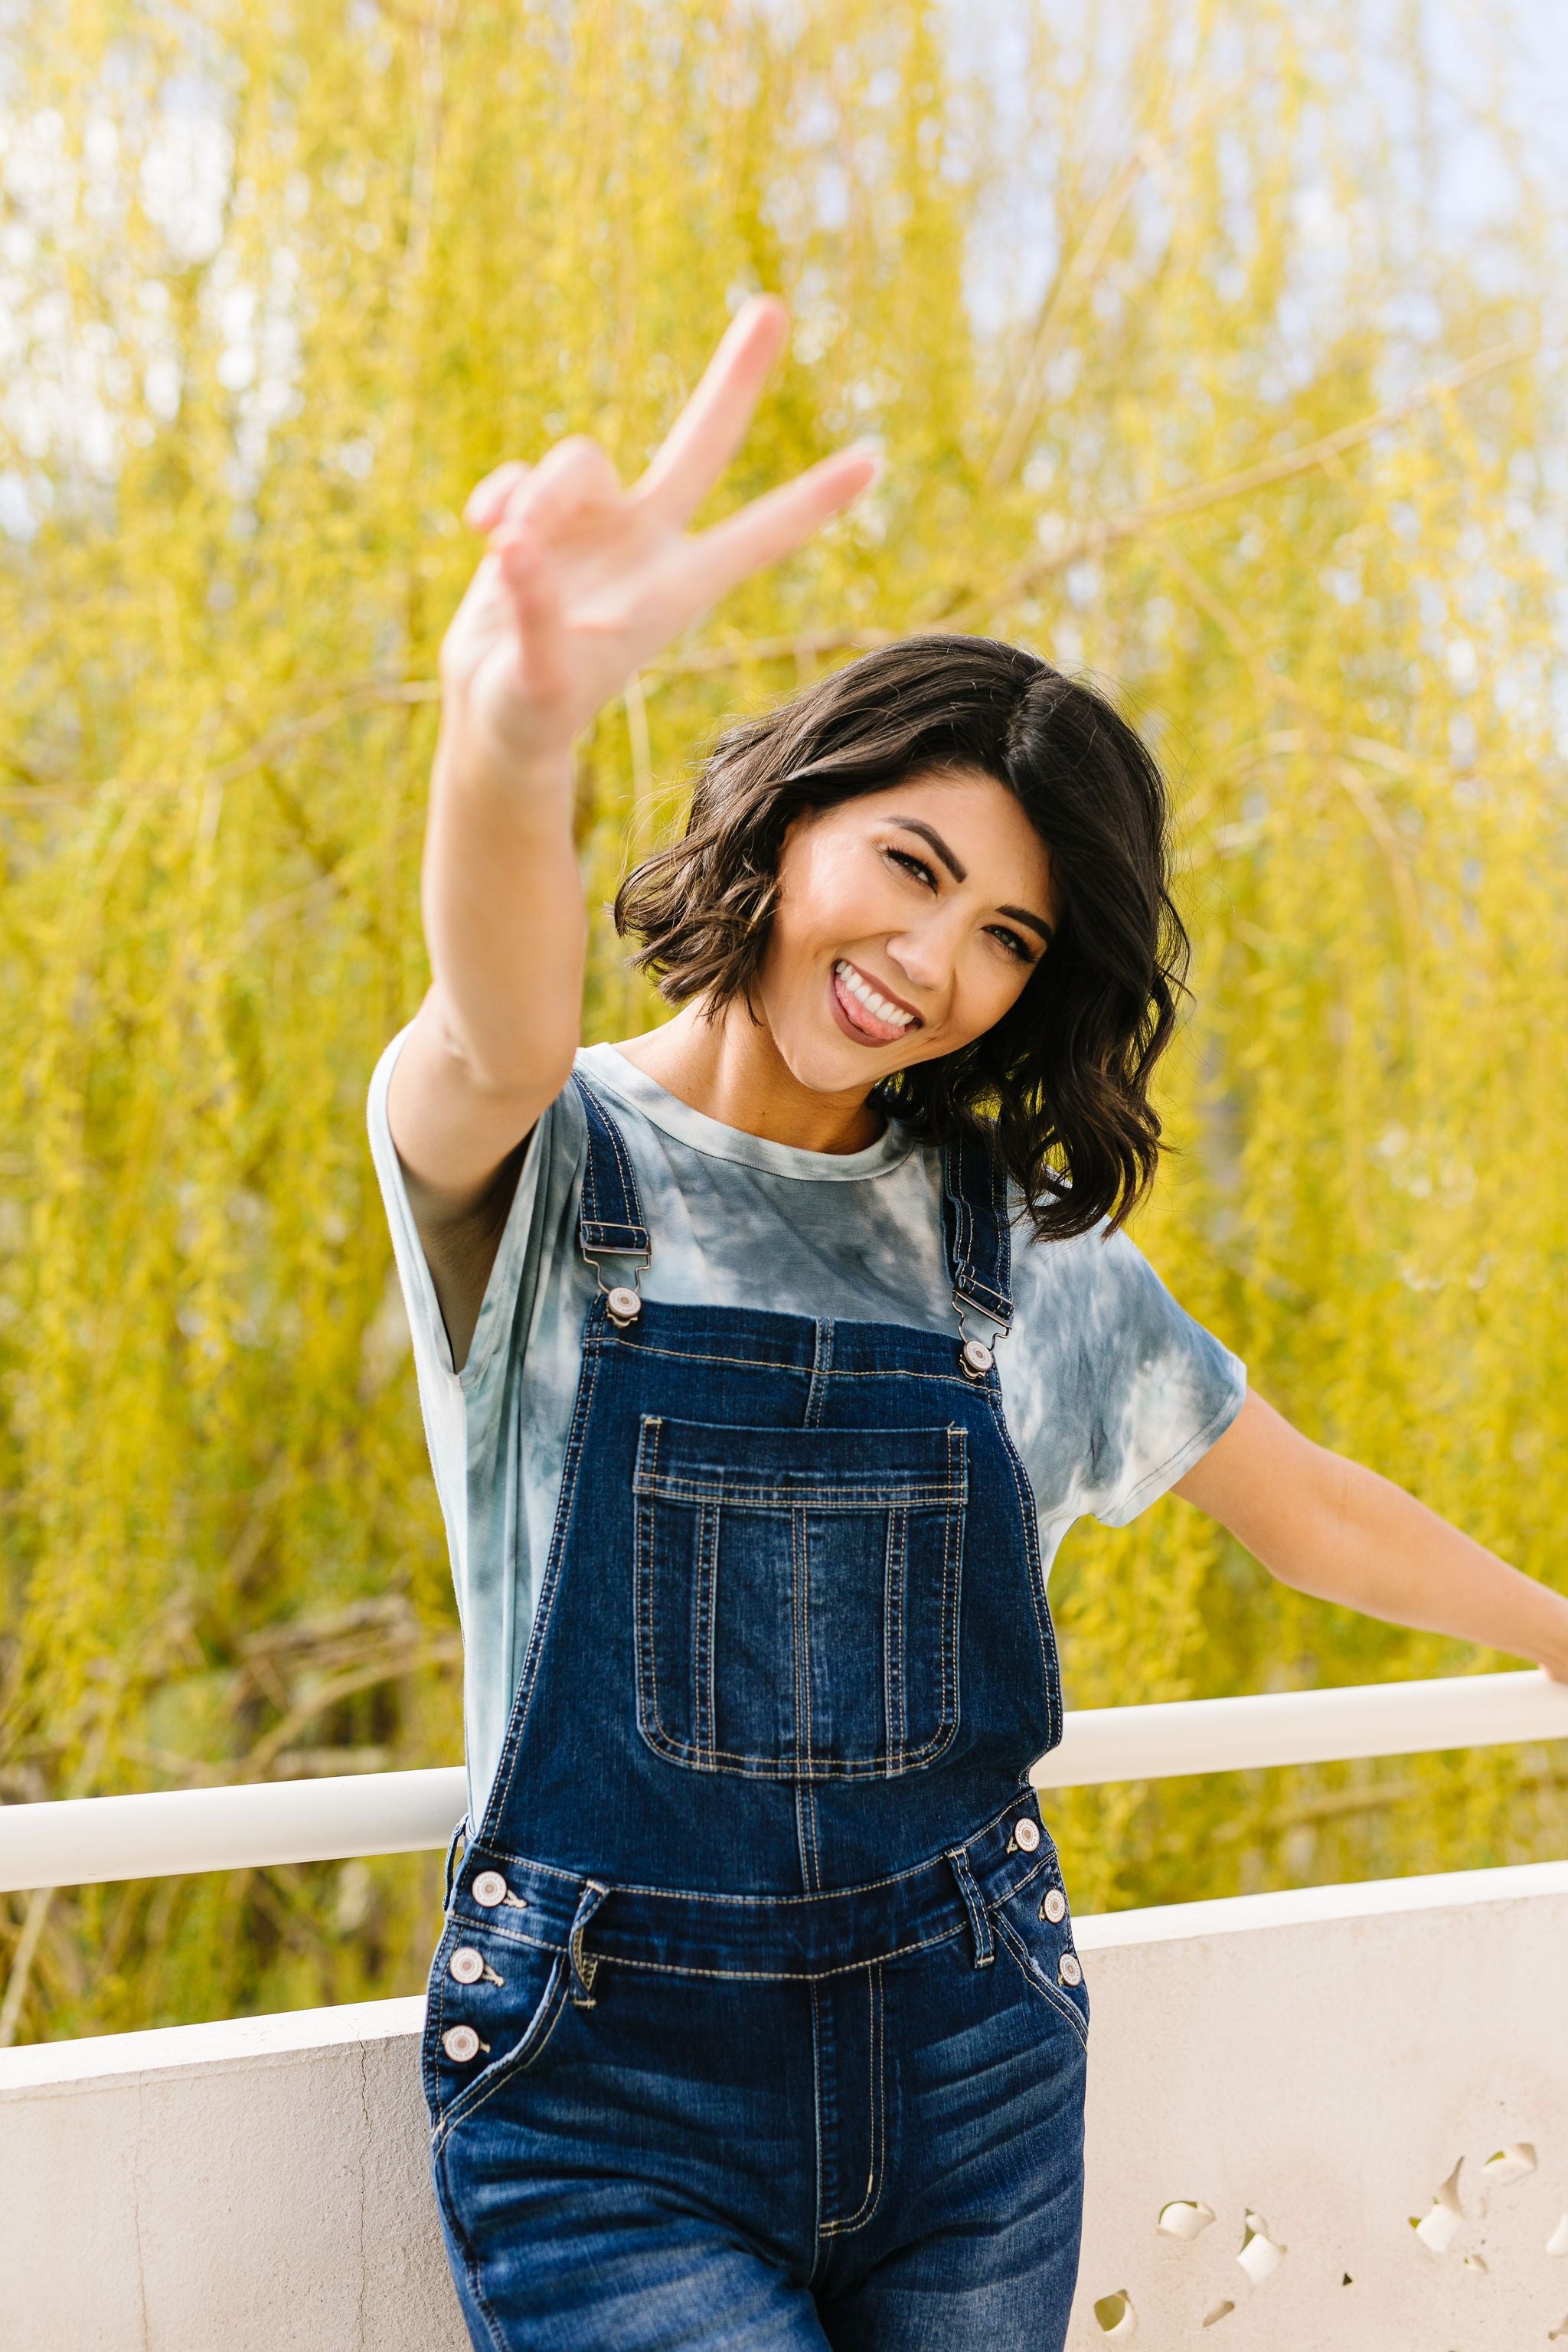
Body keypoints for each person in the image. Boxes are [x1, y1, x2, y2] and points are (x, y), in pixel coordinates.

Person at [368, 297, 1568, 2352]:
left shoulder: (1017, 1258)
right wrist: (519, 726)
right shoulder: (545, 1161)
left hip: (971, 2058)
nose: (930, 963)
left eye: (1005, 935)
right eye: (908, 869)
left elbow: (1302, 1508)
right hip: (608, 2092)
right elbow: (497, 1001)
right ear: (793, 817)